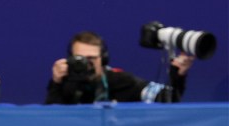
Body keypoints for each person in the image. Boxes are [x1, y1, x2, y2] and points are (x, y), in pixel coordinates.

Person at [45, 31, 195, 104]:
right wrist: (56, 83)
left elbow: (167, 99)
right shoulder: (64, 84)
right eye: (80, 59)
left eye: (91, 59)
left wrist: (178, 75)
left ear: (103, 59)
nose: (86, 64)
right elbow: (48, 122)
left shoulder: (121, 81)